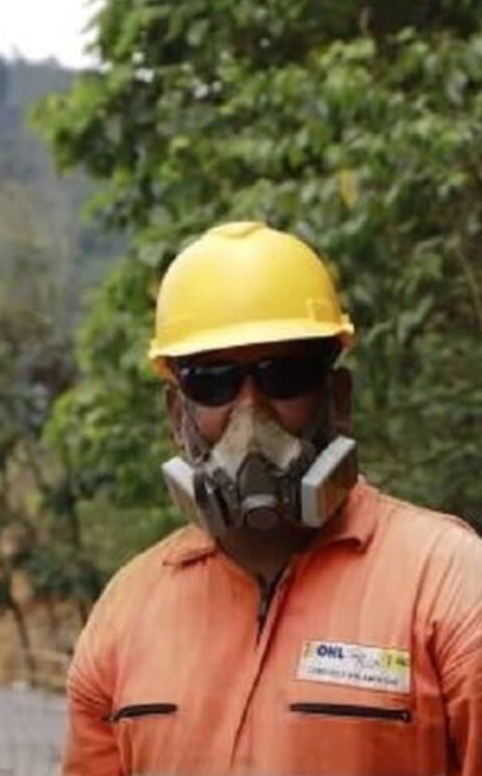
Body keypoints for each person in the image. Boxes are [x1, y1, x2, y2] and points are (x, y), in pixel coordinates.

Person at [63, 221, 482, 775]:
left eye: (285, 374)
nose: (250, 413)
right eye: (213, 381)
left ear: (338, 396)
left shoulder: (447, 585)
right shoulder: (126, 615)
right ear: (176, 413)